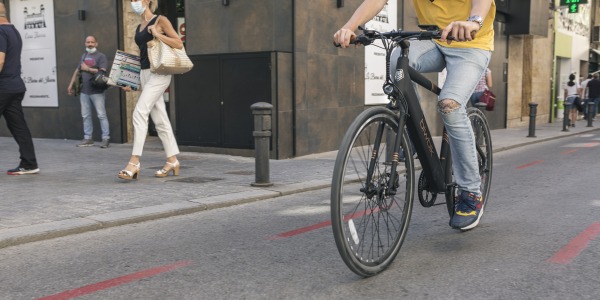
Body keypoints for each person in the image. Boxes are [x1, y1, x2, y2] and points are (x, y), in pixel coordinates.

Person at [334, 0, 495, 230]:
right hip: (433, 40)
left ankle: (471, 191)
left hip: (472, 43)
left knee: (449, 104)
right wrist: (350, 26)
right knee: (396, 61)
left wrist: (474, 21)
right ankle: (413, 130)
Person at [118, 0, 182, 180]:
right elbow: (142, 56)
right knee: (160, 118)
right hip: (145, 74)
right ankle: (172, 160)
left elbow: (178, 43)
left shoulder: (160, 20)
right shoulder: (139, 26)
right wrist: (132, 81)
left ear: (147, 1)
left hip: (160, 73)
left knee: (139, 112)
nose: (133, 3)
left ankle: (134, 162)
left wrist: (157, 34)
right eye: (131, 1)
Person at [0, 3, 40, 175]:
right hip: (15, 86)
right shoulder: (13, 31)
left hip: (3, 87)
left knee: (18, 126)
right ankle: (29, 163)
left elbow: (0, 60)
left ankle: (29, 163)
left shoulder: (0, 31)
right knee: (18, 126)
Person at [67, 36, 110, 148]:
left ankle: (105, 138)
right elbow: (77, 70)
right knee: (85, 115)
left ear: (96, 43)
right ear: (85, 43)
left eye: (92, 42)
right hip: (84, 91)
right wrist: (71, 85)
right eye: (88, 42)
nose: (90, 44)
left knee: (101, 115)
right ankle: (88, 138)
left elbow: (102, 72)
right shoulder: (84, 55)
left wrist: (88, 69)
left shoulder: (101, 56)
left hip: (97, 91)